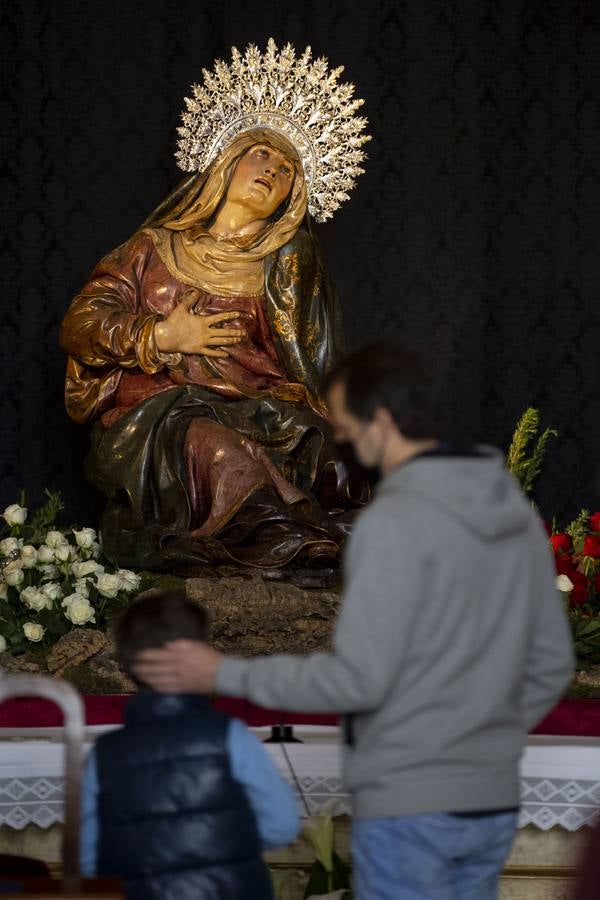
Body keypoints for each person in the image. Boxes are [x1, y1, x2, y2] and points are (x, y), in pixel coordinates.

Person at [133, 342, 575, 900]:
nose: (341, 442)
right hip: (490, 797)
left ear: (383, 421)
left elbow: (358, 680)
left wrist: (220, 674)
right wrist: (484, 736)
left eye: (345, 427)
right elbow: (551, 664)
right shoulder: (508, 509)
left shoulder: (392, 523)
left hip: (411, 803)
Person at [59, 41, 371, 572]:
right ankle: (275, 536)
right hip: (163, 415)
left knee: (332, 460)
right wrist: (161, 337)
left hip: (259, 410)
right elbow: (81, 325)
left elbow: (309, 367)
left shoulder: (285, 270)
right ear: (227, 162)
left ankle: (303, 533)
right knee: (214, 445)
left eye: (289, 169)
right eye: (262, 152)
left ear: (293, 198)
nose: (273, 169)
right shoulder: (154, 249)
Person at [80, 589, 299, 900]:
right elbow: (283, 824)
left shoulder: (103, 755)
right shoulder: (229, 735)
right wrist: (223, 843)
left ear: (127, 666)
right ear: (200, 656)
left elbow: (89, 858)